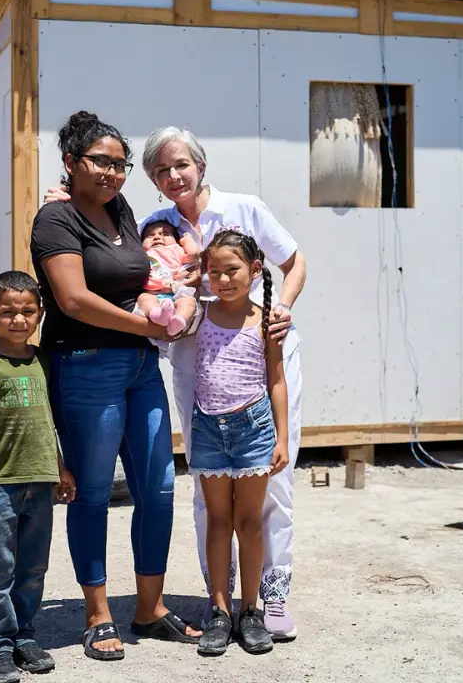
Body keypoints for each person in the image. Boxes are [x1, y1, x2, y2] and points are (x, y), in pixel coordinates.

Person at [47, 125, 307, 639]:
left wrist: (282, 307)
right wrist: (64, 198)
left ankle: (270, 597)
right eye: (160, 170)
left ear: (201, 165)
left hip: (262, 355)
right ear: (150, 179)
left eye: (181, 165)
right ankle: (222, 600)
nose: (173, 176)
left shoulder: (244, 208)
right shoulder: (151, 225)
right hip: (198, 366)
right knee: (205, 488)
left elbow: (295, 262)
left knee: (271, 483)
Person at [30, 110, 202, 662]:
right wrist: (147, 325)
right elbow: (73, 299)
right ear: (71, 163)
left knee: (159, 488)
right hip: (84, 365)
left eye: (120, 164)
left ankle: (148, 609)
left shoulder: (120, 209)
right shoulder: (54, 222)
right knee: (96, 491)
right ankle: (98, 613)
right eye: (100, 161)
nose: (111, 173)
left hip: (138, 367)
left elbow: (145, 264)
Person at [0, 271, 76, 683]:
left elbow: (47, 422)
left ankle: (24, 636)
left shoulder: (42, 360)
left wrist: (59, 468)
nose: (19, 320)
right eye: (8, 312)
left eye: (28, 311)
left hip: (40, 484)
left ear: (40, 313)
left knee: (33, 567)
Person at [189, 230, 290, 656]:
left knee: (248, 522)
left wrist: (282, 437)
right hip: (207, 429)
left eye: (232, 270)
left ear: (253, 271)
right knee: (216, 520)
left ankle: (250, 612)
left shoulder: (267, 320)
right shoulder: (198, 313)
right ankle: (219, 611)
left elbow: (277, 380)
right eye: (214, 272)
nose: (223, 279)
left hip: (254, 430)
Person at [136, 217, 200, 337]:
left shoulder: (176, 250)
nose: (157, 237)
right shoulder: (142, 254)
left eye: (165, 233)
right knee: (143, 299)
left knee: (189, 302)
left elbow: (193, 255)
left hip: (177, 292)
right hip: (152, 294)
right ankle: (158, 314)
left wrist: (187, 240)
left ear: (176, 240)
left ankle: (179, 320)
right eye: (149, 235)